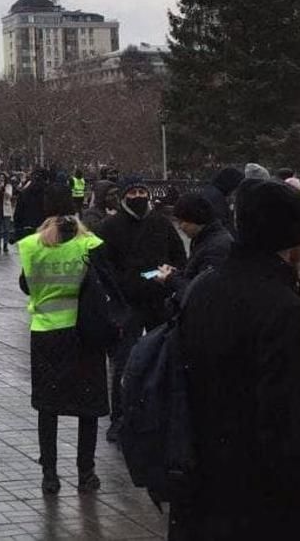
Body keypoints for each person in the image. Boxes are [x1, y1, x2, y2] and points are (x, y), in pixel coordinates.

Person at [172, 179, 300, 539]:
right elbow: (289, 422)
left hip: (204, 487)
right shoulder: (281, 308)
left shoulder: (204, 288)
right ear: (293, 238)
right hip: (259, 498)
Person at [17, 186, 106, 495]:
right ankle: (86, 473)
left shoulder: (31, 246)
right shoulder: (90, 244)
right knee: (88, 407)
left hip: (45, 334)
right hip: (83, 334)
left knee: (48, 407)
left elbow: (26, 286)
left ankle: (50, 475)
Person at [95, 176, 187, 442]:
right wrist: (120, 288)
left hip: (159, 301)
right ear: (125, 196)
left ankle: (157, 413)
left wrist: (170, 274)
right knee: (123, 362)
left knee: (162, 358)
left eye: (141, 192)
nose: (138, 197)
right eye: (133, 192)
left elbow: (178, 255)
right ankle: (120, 417)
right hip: (128, 304)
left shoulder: (160, 223)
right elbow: (102, 264)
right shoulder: (110, 227)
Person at [165, 193, 233, 301]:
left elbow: (202, 291)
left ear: (194, 219)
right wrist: (177, 274)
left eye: (181, 221)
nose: (179, 226)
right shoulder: (204, 239)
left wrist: (170, 279)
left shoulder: (216, 248)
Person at [13, 169, 49, 240]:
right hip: (43, 226)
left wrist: (17, 226)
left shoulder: (25, 192)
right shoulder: (48, 192)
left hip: (27, 225)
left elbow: (18, 212)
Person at [0, 173, 14, 253]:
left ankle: (5, 245)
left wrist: (4, 190)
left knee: (6, 229)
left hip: (6, 211)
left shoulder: (8, 186)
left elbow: (10, 196)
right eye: (0, 177)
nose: (1, 179)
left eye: (3, 178)